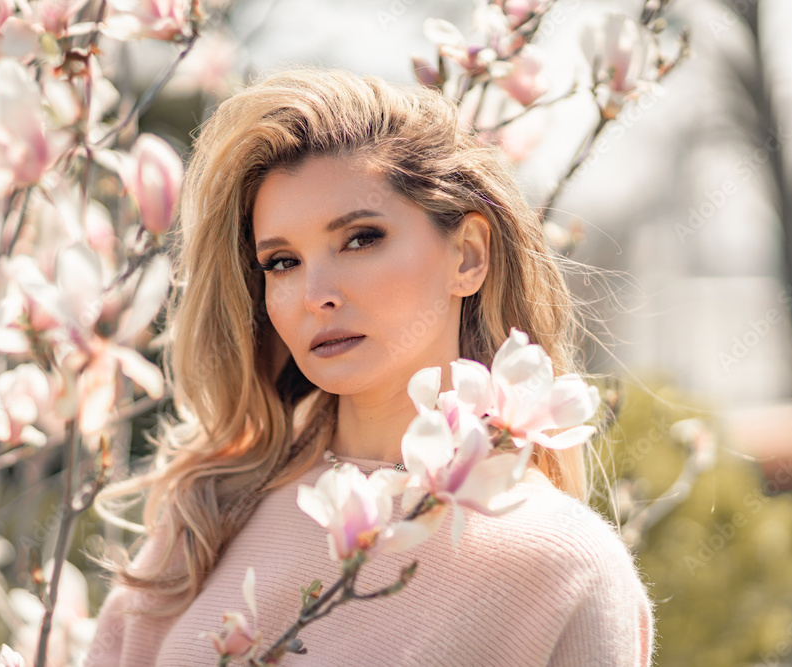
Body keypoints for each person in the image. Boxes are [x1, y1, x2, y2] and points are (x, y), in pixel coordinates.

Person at [83, 67, 656, 666]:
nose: (316, 294)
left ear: (467, 255)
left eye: (360, 239)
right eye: (281, 262)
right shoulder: (205, 523)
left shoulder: (563, 567)